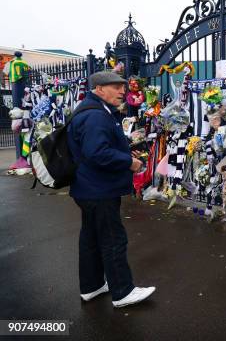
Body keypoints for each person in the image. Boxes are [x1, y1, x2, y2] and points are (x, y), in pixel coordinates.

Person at [67, 71, 155, 308]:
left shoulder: (93, 111)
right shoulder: (96, 116)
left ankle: (92, 286)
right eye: (116, 87)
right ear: (99, 89)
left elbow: (95, 148)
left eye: (123, 87)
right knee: (113, 239)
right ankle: (122, 291)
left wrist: (125, 152)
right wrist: (129, 162)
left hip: (88, 187)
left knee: (91, 238)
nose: (122, 91)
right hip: (98, 190)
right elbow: (98, 153)